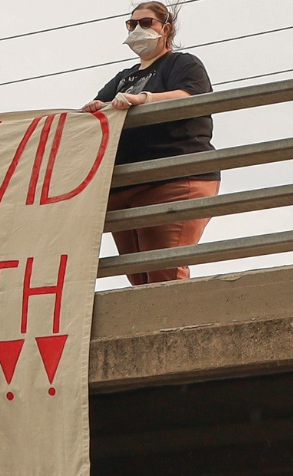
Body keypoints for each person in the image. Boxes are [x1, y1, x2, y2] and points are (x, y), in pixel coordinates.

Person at [84, 1, 219, 285]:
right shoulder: (124, 78)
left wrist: (143, 99)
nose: (137, 30)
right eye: (132, 25)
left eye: (146, 23)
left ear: (165, 28)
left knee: (163, 272)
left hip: (172, 180)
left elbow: (191, 96)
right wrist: (94, 108)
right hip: (125, 188)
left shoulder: (182, 64)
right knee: (138, 277)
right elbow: (100, 112)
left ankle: (178, 328)